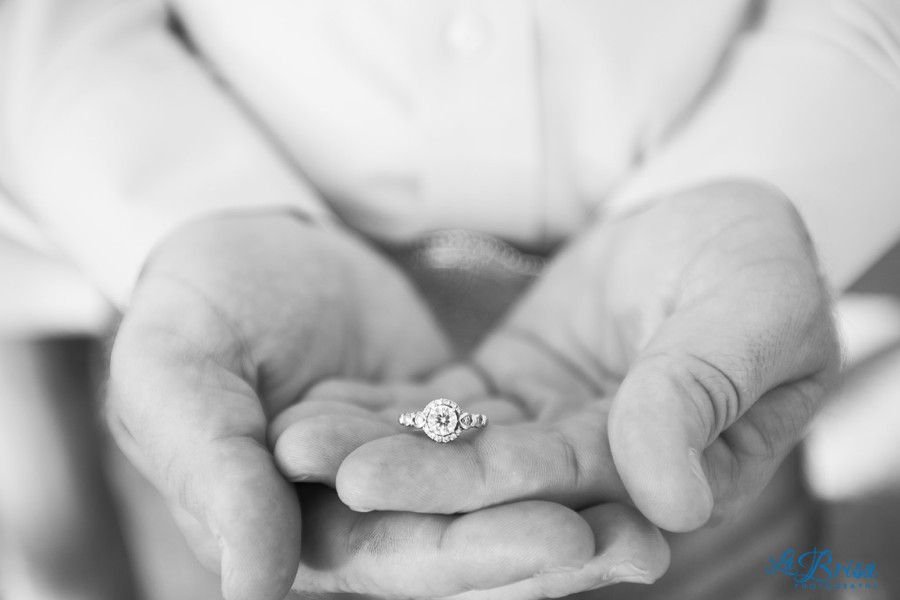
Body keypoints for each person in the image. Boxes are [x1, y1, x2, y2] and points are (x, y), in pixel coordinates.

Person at [1, 1, 899, 599]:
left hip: (676, 337)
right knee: (242, 538)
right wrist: (183, 217)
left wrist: (762, 188)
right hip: (261, 373)